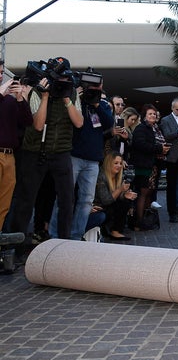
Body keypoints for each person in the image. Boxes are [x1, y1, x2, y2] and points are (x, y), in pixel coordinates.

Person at [8, 57, 84, 258]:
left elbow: (79, 123)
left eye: (64, 80)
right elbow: (38, 125)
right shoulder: (36, 91)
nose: (60, 83)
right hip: (34, 152)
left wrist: (67, 98)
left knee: (67, 199)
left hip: (61, 152)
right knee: (26, 200)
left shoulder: (72, 94)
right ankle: (18, 248)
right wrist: (44, 97)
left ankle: (64, 244)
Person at [48, 78, 113, 240]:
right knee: (64, 197)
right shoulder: (77, 100)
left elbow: (109, 124)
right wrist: (77, 97)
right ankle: (55, 235)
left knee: (86, 201)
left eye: (99, 85)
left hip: (93, 160)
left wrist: (96, 103)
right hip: (74, 156)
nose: (96, 88)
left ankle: (76, 236)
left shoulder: (102, 105)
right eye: (93, 86)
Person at [0, 61, 34, 240]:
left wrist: (20, 98)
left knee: (4, 203)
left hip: (10, 156)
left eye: (0, 72)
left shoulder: (9, 101)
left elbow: (28, 121)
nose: (0, 76)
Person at [129, 104, 170, 230]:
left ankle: (144, 221)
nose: (153, 115)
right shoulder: (141, 128)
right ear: (144, 116)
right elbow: (140, 145)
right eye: (150, 114)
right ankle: (138, 222)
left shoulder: (155, 129)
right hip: (143, 166)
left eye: (154, 113)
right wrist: (159, 148)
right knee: (143, 193)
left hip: (153, 166)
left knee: (148, 194)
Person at [93, 151, 138, 240]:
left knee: (125, 200)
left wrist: (125, 194)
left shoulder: (119, 177)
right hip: (99, 207)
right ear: (109, 163)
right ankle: (113, 230)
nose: (119, 166)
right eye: (116, 163)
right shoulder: (101, 177)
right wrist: (120, 190)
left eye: (121, 163)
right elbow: (105, 200)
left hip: (109, 206)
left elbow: (117, 197)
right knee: (121, 203)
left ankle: (116, 230)